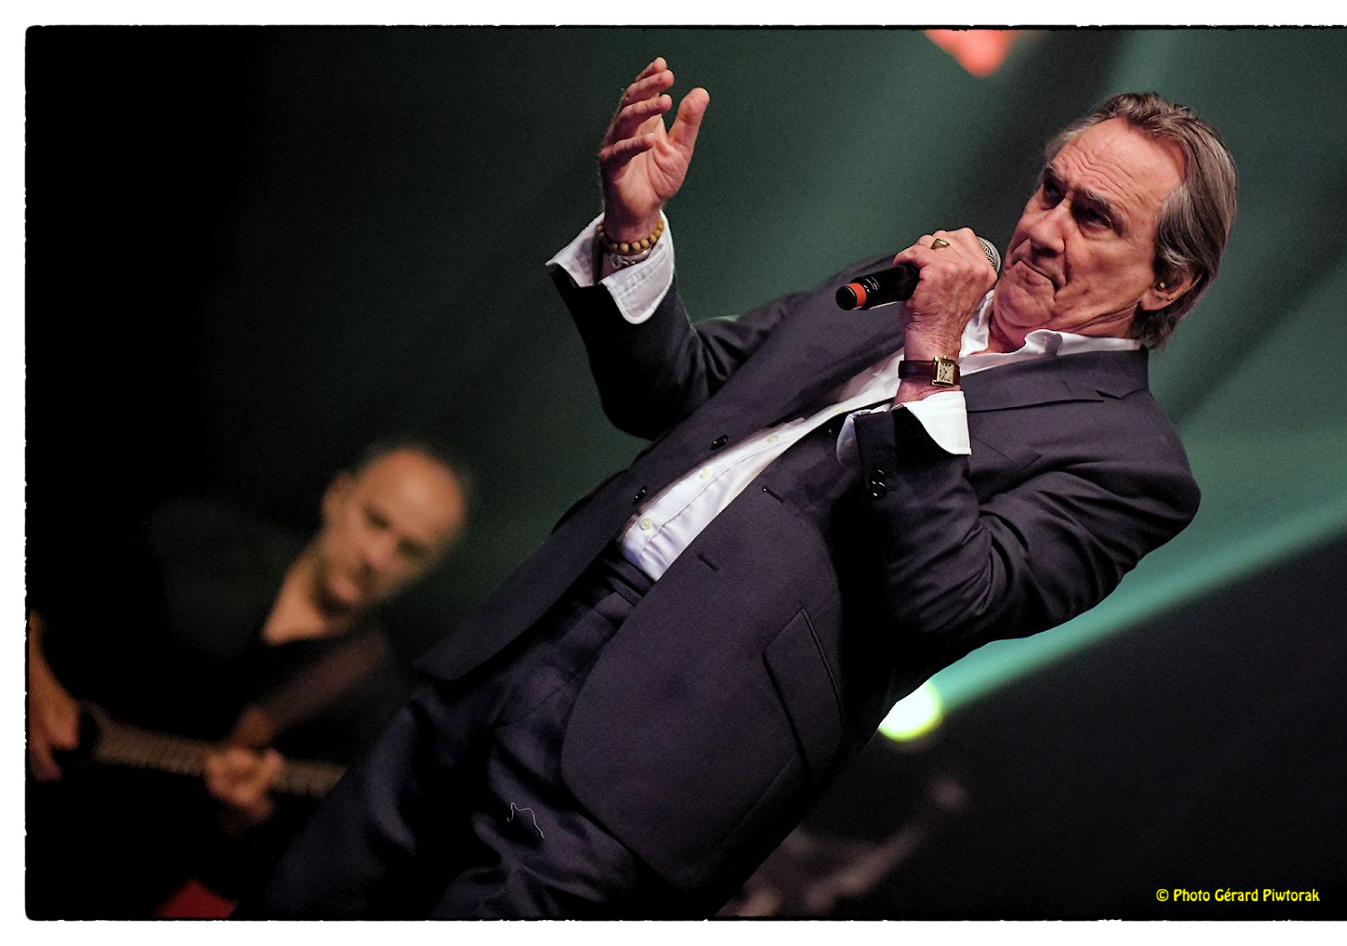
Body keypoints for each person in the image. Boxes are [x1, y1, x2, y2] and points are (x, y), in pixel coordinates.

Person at [249, 59, 1238, 918]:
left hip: (652, 759)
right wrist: (633, 231)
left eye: (1093, 218)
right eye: (1050, 190)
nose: (1043, 228)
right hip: (528, 636)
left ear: (1168, 282)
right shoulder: (903, 281)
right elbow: (679, 391)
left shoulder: (1128, 464)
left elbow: (946, 594)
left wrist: (932, 356)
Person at [26, 442, 470, 918]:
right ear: (338, 496)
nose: (378, 557)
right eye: (375, 521)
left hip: (106, 884)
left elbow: (254, 878)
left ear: (430, 569)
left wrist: (244, 821)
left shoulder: (378, 709)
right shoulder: (199, 536)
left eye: (410, 550)